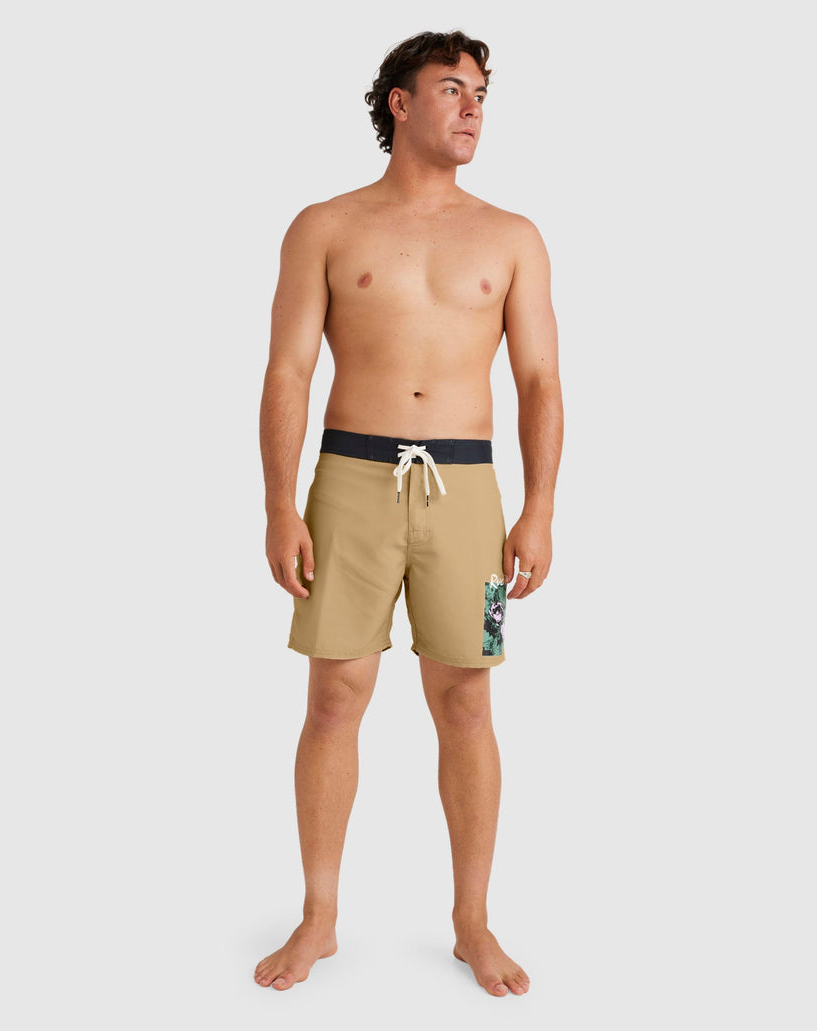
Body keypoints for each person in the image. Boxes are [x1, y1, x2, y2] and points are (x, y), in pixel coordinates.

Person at [255, 29, 562, 998]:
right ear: (400, 102)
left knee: (467, 700)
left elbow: (540, 380)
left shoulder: (512, 236)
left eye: (481, 95)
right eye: (452, 90)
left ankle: (472, 921)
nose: (472, 108)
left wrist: (539, 508)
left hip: (467, 493)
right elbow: (288, 371)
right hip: (348, 483)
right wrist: (278, 504)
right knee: (333, 697)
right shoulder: (325, 225)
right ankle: (319, 915)